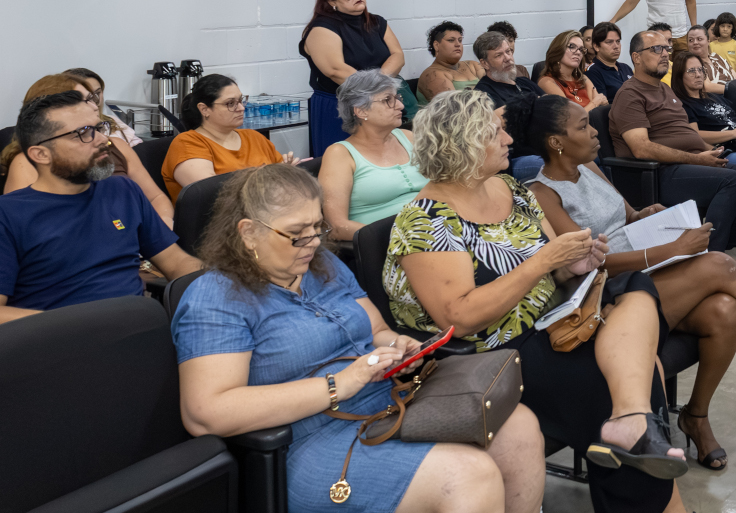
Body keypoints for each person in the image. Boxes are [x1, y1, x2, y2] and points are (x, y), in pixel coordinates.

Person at [505, 93, 736, 470]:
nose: (595, 133)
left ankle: (696, 416)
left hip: (643, 273)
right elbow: (594, 263)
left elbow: (625, 218)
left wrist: (647, 215)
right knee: (720, 265)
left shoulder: (590, 167)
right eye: (583, 127)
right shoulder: (542, 194)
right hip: (607, 295)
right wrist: (672, 248)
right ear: (556, 142)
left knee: (724, 310)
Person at [382, 90, 692, 511]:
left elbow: (555, 267)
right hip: (488, 352)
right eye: (495, 132)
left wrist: (575, 264)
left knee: (632, 284)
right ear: (463, 144)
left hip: (550, 319)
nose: (509, 140)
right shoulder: (425, 219)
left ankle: (632, 420)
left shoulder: (510, 188)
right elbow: (460, 317)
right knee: (616, 380)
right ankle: (637, 444)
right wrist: (543, 262)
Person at [172, 163, 544, 513]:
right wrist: (338, 385)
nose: (313, 242)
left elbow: (378, 331)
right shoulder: (217, 297)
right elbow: (206, 414)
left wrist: (397, 347)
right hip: (307, 440)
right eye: (297, 234)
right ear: (248, 232)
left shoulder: (323, 266)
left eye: (318, 228)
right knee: (468, 475)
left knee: (519, 426)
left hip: (386, 404)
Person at [0, 91, 201, 324]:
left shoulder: (123, 190)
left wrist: (230, 282)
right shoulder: (9, 215)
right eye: (82, 133)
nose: (101, 140)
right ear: (41, 154)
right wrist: (78, 326)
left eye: (98, 128)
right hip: (59, 344)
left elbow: (177, 263)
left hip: (139, 334)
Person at [611, 31, 736, 274]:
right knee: (732, 180)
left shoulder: (664, 91)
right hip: (660, 173)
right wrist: (698, 158)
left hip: (692, 163)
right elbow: (641, 148)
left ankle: (730, 247)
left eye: (667, 49)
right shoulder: (630, 94)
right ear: (636, 57)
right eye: (656, 50)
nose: (665, 54)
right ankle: (711, 256)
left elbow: (685, 134)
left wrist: (709, 152)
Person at [3, 75, 175, 227]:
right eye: (82, 100)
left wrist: (162, 227)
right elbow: (28, 228)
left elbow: (156, 198)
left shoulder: (116, 146)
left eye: (92, 97)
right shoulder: (27, 163)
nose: (94, 104)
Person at [670, 51, 736, 248]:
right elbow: (694, 135)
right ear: (679, 76)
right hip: (724, 149)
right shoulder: (683, 104)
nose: (698, 74)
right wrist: (734, 134)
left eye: (700, 70)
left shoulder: (713, 97)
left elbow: (734, 120)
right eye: (691, 71)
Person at [300, 0, 405, 156]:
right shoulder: (322, 28)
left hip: (380, 101)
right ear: (331, 1)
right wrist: (376, 91)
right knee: (343, 161)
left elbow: (397, 56)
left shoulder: (377, 22)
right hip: (339, 106)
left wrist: (379, 89)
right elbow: (335, 70)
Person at [318, 70, 427, 242]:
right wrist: (402, 237)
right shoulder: (340, 154)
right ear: (361, 111)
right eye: (387, 100)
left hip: (433, 231)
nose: (400, 106)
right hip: (385, 246)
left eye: (397, 98)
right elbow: (336, 226)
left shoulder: (408, 137)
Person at [163, 75, 300, 202]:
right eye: (230, 103)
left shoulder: (254, 137)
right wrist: (268, 178)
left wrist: (286, 174)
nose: (241, 108)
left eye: (241, 100)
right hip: (221, 223)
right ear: (204, 109)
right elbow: (212, 195)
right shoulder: (188, 143)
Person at [472, 31, 545, 182]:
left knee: (585, 156)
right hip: (516, 158)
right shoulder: (483, 93)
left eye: (508, 51)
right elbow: (498, 121)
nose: (507, 58)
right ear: (484, 63)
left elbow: (552, 105)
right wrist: (534, 102)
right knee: (552, 164)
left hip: (544, 146)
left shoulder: (524, 83)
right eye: (499, 55)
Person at [63, 67, 143, 146]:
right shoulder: (64, 133)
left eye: (97, 93)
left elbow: (140, 151)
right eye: (88, 96)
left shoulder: (112, 121)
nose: (96, 101)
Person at [537, 30, 609, 111]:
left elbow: (601, 108)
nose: (578, 52)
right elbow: (572, 117)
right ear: (558, 50)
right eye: (572, 47)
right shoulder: (547, 82)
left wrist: (597, 103)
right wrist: (595, 103)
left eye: (581, 49)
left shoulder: (583, 79)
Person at [418, 21, 486, 102]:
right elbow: (453, 109)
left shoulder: (473, 65)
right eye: (451, 40)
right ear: (436, 45)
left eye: (460, 40)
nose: (458, 44)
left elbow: (493, 90)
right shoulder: (432, 74)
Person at [661, 25, 735, 89]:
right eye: (691, 40)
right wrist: (733, 90)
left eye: (699, 39)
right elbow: (706, 87)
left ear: (708, 41)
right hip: (716, 98)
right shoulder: (689, 63)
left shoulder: (716, 56)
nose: (695, 43)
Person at [585, 22, 635, 102]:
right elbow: (602, 107)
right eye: (609, 42)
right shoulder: (592, 72)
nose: (616, 46)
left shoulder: (625, 67)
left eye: (618, 41)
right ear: (596, 46)